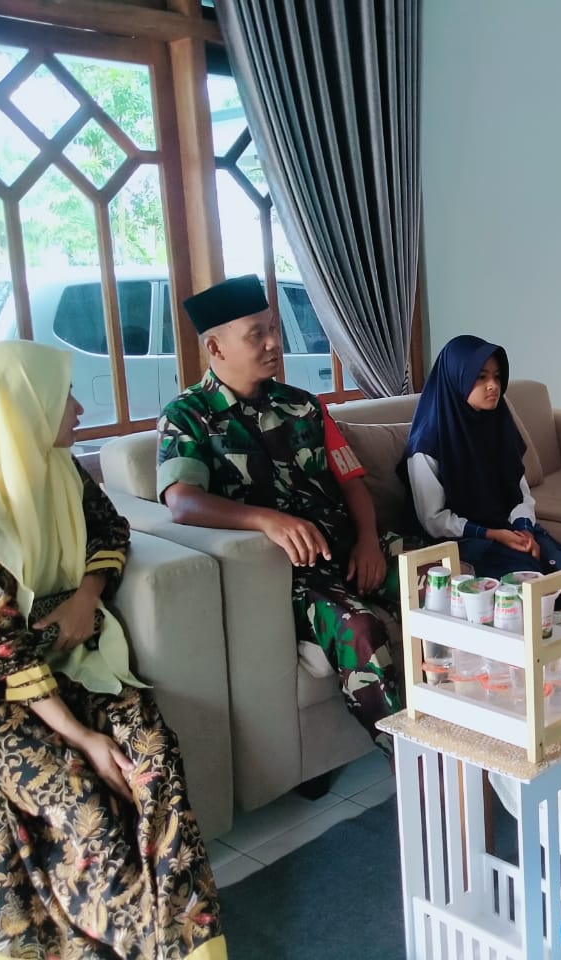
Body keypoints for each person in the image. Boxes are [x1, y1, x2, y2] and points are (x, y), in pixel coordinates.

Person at [0, 342, 225, 960]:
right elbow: (3, 655)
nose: (79, 407)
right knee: (79, 793)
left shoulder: (58, 467)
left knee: (153, 754)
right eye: (64, 396)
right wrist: (83, 738)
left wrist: (87, 597)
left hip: (67, 649)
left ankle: (190, 947)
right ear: (21, 409)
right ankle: (145, 945)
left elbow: (111, 529)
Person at [156, 275, 400, 751]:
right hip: (292, 574)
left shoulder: (304, 405)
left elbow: (351, 480)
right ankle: (415, 767)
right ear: (215, 346)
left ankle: (486, 727)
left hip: (351, 548)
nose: (273, 342)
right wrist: (266, 519)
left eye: (273, 328)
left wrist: (369, 540)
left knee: (448, 578)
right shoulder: (188, 415)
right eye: (257, 334)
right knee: (360, 629)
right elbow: (181, 500)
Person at [400, 335, 561, 581]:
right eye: (481, 377)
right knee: (529, 579)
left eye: (497, 376)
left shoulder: (498, 424)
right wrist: (493, 534)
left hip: (504, 526)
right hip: (458, 538)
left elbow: (519, 490)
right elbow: (434, 520)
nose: (493, 385)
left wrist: (524, 529)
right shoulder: (428, 443)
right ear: (457, 378)